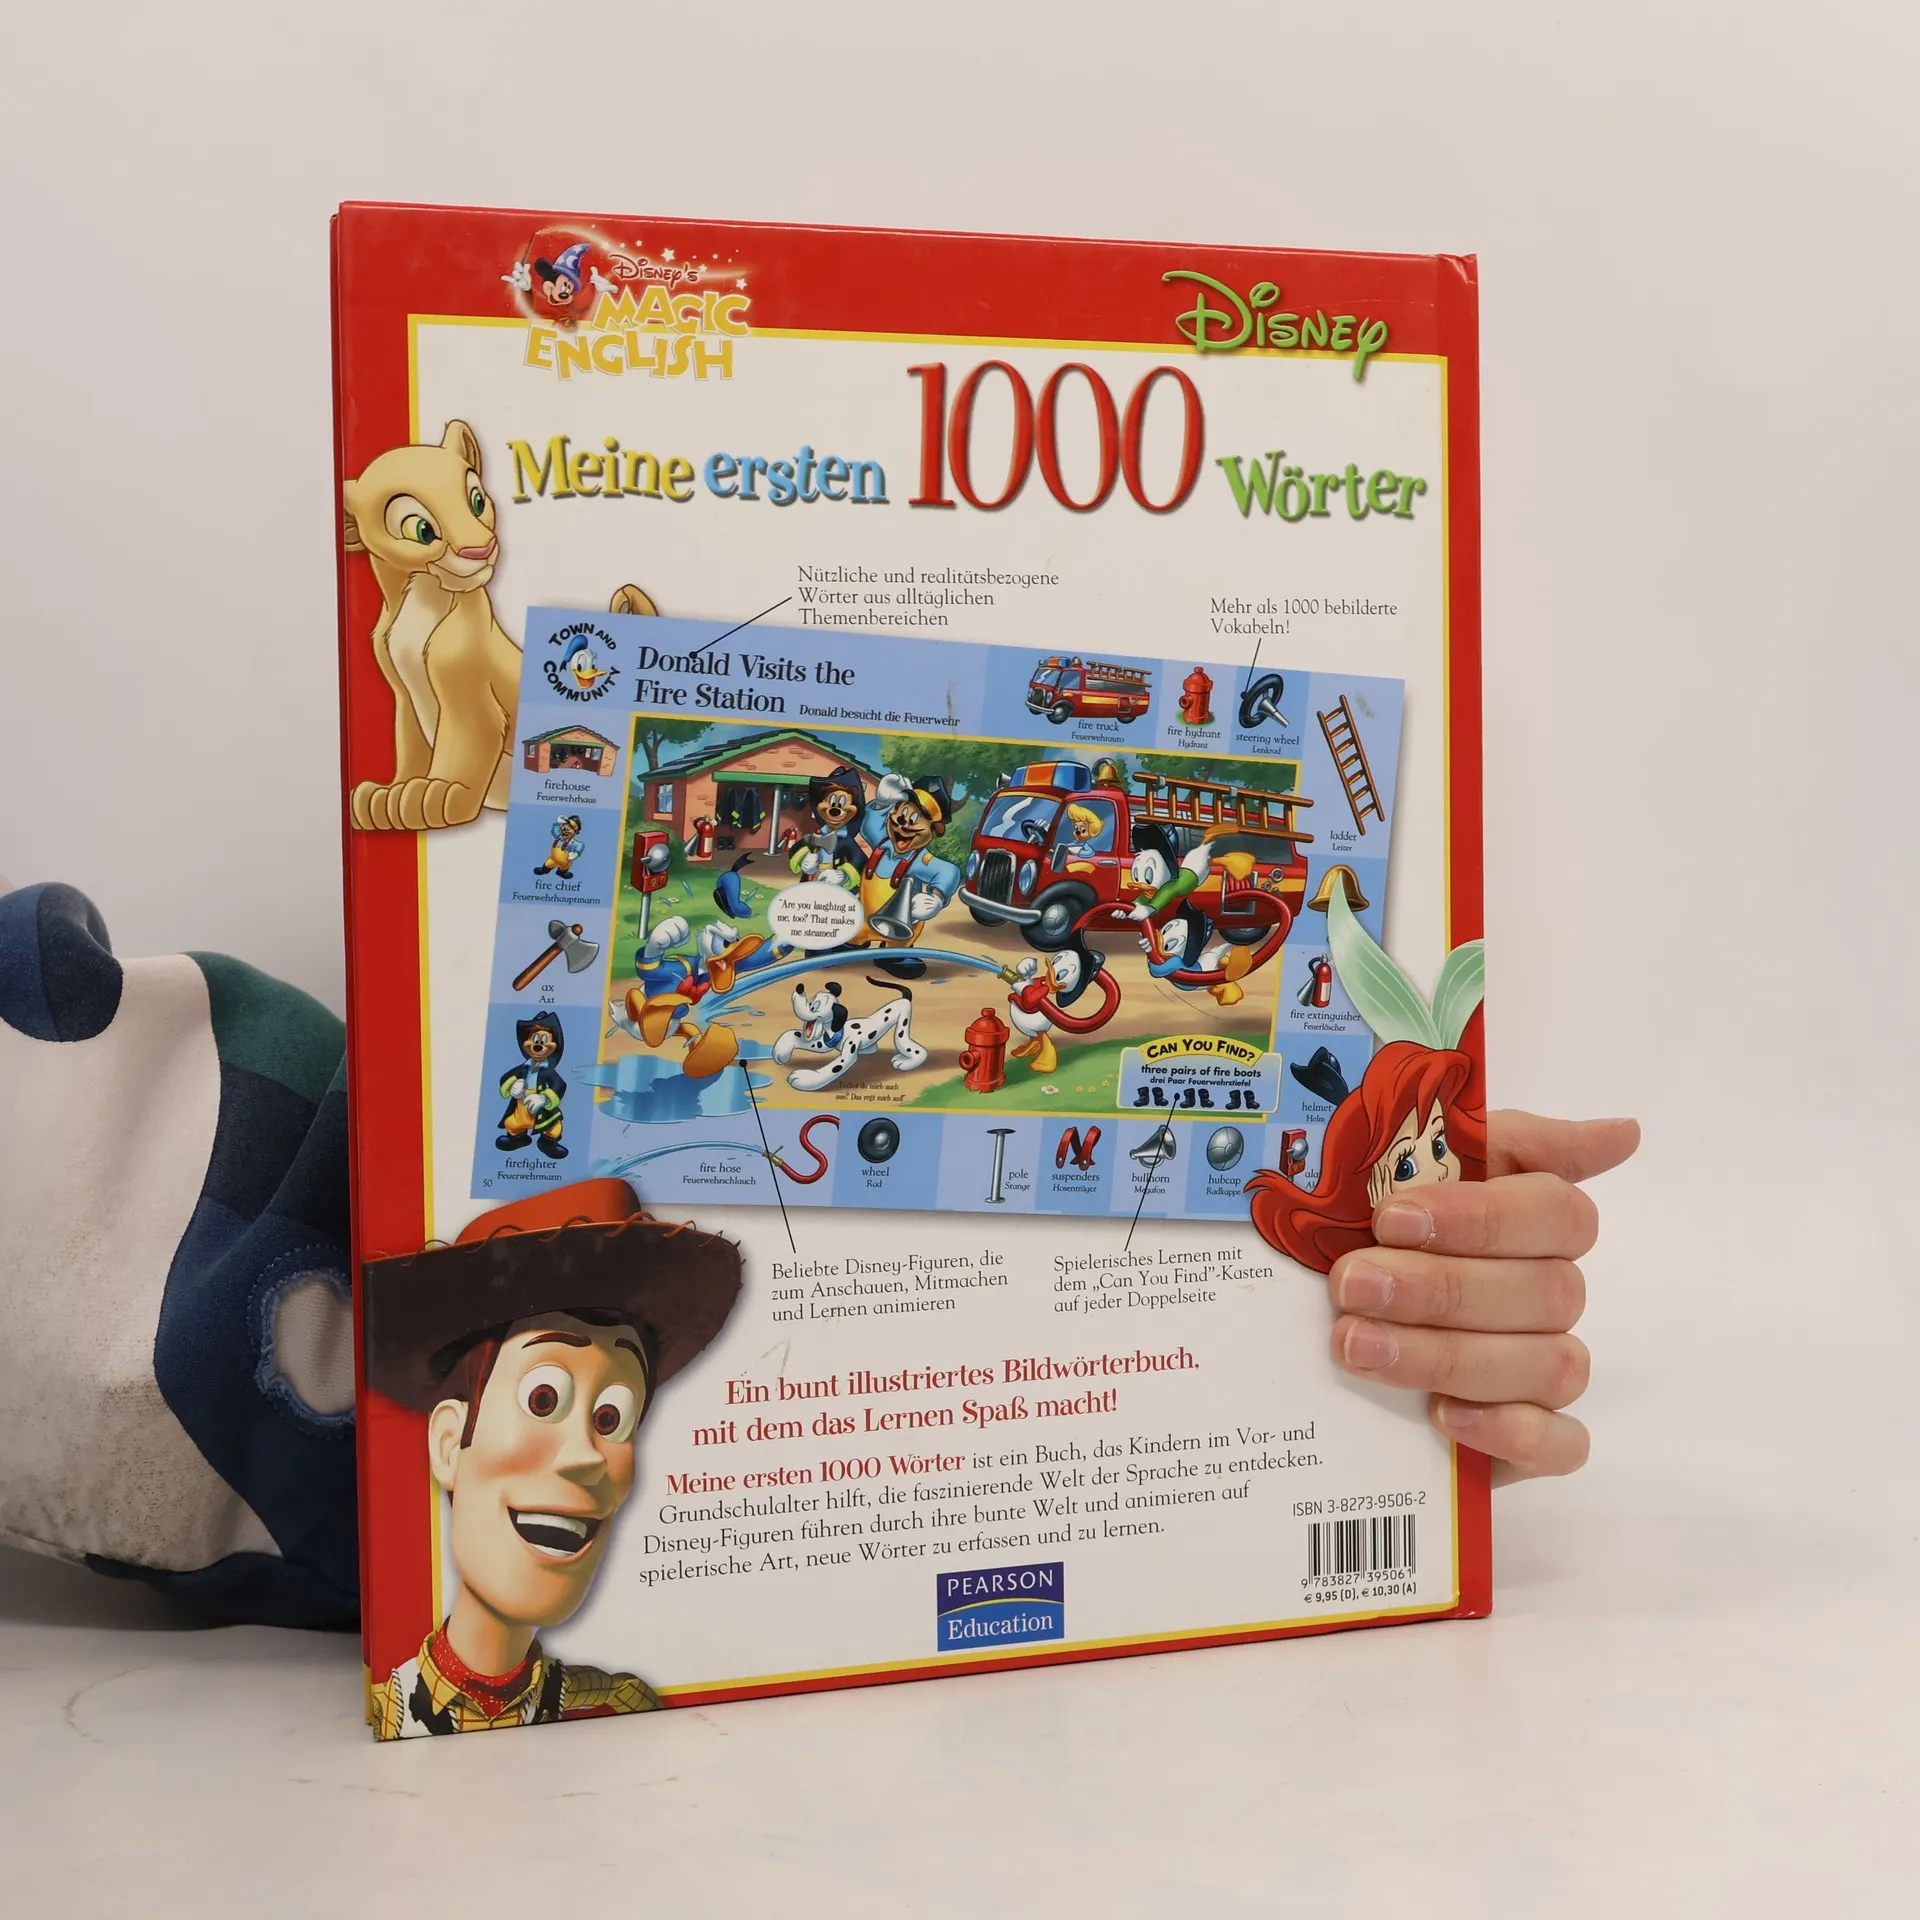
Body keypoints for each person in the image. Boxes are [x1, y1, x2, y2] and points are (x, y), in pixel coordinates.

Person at [361, 1178, 742, 1735]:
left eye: (610, 1418)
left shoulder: (618, 1712)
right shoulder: (386, 1717)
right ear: (449, 1442)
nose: (586, 1455)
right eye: (543, 1399)